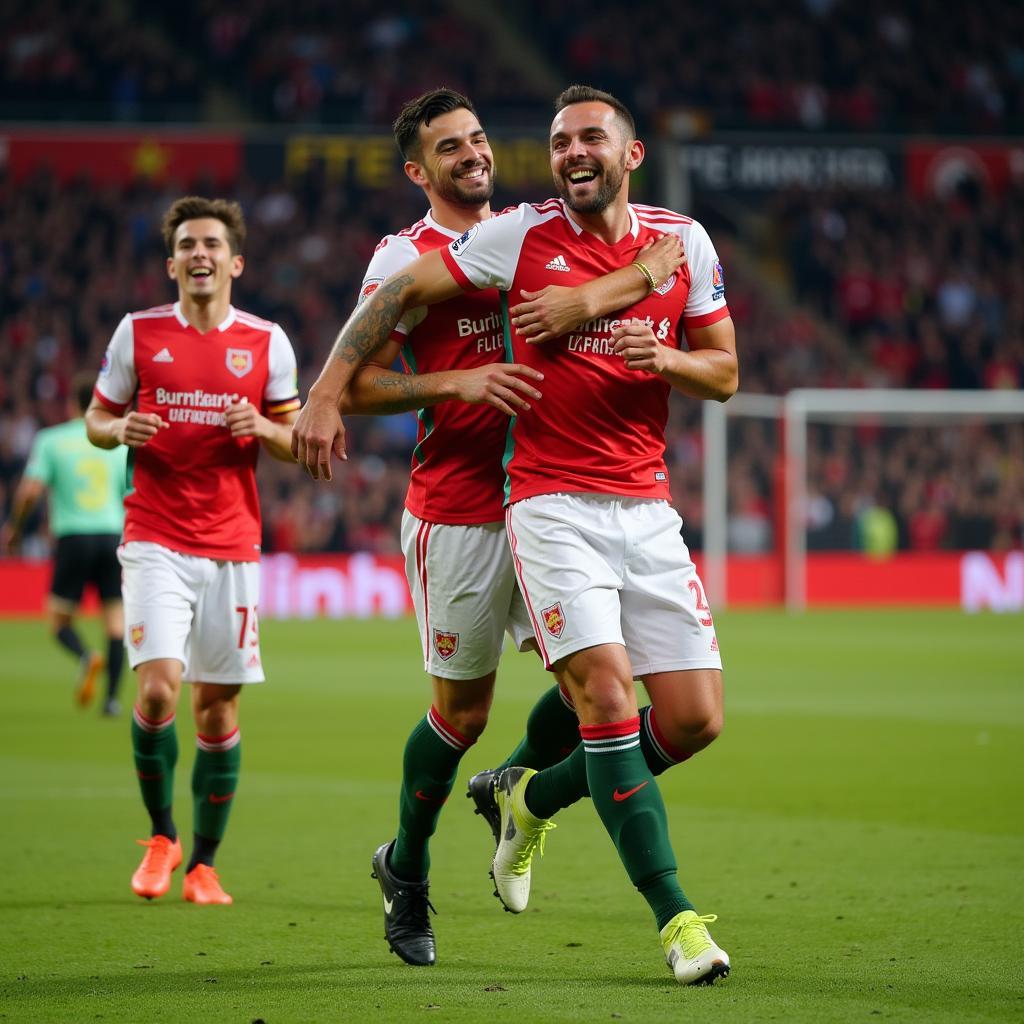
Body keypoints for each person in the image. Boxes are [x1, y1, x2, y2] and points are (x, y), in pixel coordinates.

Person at [292, 85, 737, 985]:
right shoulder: (422, 254)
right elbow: (372, 370)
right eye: (451, 148)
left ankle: (522, 796)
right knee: (466, 713)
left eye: (480, 138)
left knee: (602, 695)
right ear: (420, 170)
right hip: (464, 503)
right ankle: (407, 864)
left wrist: (641, 279)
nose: (473, 155)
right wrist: (369, 391)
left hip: (559, 492)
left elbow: (660, 307)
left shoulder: (539, 230)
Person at [85, 196, 300, 906]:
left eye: (211, 243)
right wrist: (122, 432)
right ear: (171, 262)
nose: (199, 254)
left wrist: (260, 429)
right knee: (155, 688)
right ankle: (162, 836)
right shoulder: (139, 333)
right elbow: (96, 417)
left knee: (217, 710)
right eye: (187, 244)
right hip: (154, 538)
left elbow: (297, 442)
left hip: (233, 546)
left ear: (235, 262)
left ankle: (204, 864)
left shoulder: (267, 341)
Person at [2, 374, 128, 715]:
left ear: (72, 402)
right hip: (112, 535)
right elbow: (133, 493)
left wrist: (13, 527)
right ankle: (112, 701)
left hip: (73, 537)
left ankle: (87, 656)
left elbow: (29, 491)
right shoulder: (118, 443)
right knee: (116, 621)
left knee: (59, 622)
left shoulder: (51, 440)